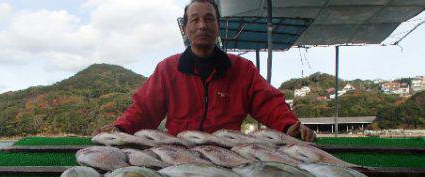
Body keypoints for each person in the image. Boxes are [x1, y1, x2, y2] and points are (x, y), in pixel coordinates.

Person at [95, 0, 316, 142]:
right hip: (178, 153)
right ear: (185, 28)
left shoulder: (242, 69)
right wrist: (120, 129)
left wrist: (288, 126)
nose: (202, 25)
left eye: (209, 19)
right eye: (195, 19)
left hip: (230, 154)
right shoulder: (168, 69)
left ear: (218, 26)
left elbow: (268, 103)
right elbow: (144, 110)